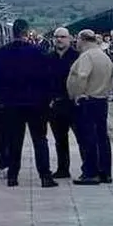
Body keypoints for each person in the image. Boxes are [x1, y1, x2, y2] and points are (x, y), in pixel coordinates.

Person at [0, 18, 57, 188]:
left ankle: (12, 176)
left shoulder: (0, 54)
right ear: (27, 33)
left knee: (14, 140)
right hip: (37, 105)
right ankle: (45, 176)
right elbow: (48, 79)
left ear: (13, 33)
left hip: (11, 105)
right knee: (40, 140)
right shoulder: (39, 52)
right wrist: (47, 99)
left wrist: (1, 101)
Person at [66, 29, 113, 184]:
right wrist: (108, 89)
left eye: (77, 39)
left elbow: (82, 75)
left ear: (82, 40)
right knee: (102, 137)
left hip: (88, 101)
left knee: (88, 137)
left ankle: (90, 173)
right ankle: (105, 172)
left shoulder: (87, 56)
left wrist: (79, 93)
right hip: (101, 100)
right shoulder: (103, 55)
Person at [45, 27, 80, 179]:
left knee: (81, 137)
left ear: (69, 38)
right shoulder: (48, 57)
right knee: (60, 139)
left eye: (62, 36)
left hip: (73, 103)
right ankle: (63, 168)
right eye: (56, 37)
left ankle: (89, 168)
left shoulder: (77, 57)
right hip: (56, 104)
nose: (59, 39)